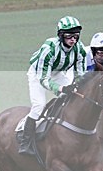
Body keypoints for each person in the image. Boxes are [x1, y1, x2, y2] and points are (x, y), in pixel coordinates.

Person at [19, 15, 86, 155]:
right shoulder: (49, 49)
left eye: (76, 36)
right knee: (39, 105)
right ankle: (25, 140)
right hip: (38, 74)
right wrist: (61, 88)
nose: (73, 39)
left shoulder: (80, 49)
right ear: (61, 36)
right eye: (69, 36)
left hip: (58, 73)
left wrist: (76, 85)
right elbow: (44, 79)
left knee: (74, 97)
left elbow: (81, 74)